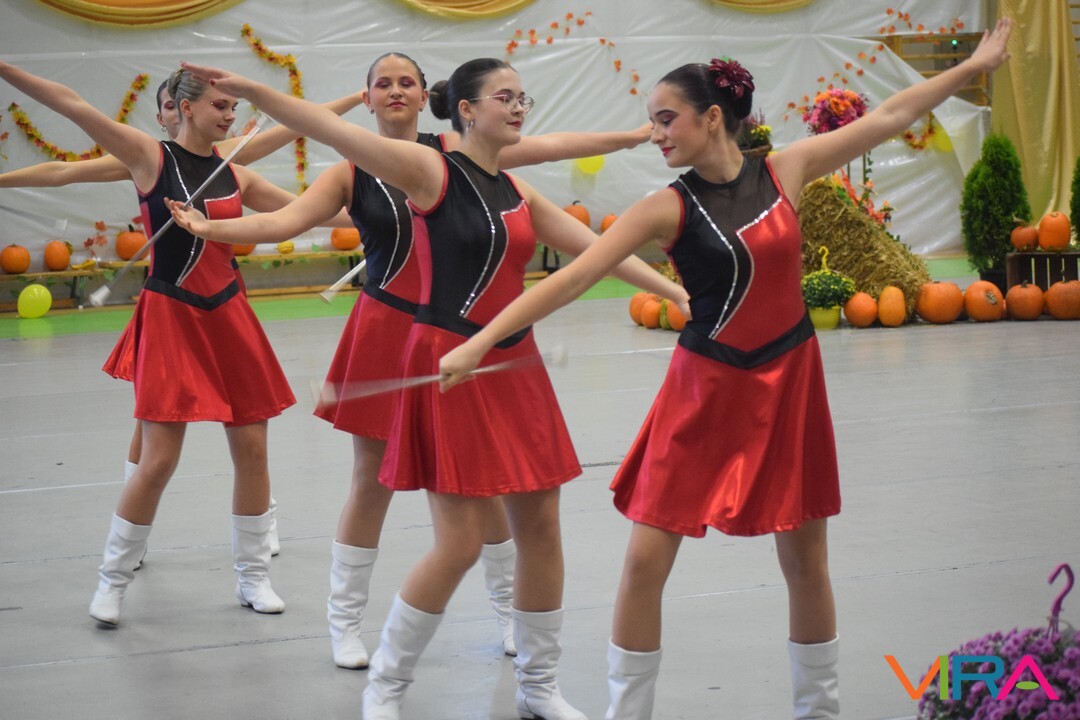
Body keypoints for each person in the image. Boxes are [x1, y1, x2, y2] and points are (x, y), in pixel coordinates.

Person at [438, 19, 1013, 719]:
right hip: (704, 388)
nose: (656, 134)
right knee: (644, 561)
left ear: (712, 118)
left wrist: (972, 66)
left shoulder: (786, 171)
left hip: (789, 379)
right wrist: (480, 342)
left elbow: (892, 115)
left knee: (805, 559)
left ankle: (819, 711)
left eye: (666, 119)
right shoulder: (665, 207)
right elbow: (572, 278)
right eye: (653, 121)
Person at [171, 57, 687, 719]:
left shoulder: (512, 186)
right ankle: (372, 661)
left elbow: (595, 247)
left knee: (538, 524)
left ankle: (535, 682)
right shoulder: (424, 169)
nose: (519, 107)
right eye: (505, 97)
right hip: (436, 350)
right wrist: (249, 99)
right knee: (435, 524)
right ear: (466, 109)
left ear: (428, 96)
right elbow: (319, 150)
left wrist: (676, 291)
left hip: (509, 363)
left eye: (523, 98)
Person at [0, 80, 363, 564]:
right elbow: (64, 169)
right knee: (153, 429)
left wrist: (356, 99)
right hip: (169, 305)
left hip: (222, 303)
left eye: (228, 106)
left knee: (247, 435)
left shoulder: (228, 158)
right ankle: (133, 534)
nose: (177, 112)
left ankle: (260, 522)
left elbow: (295, 129)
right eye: (168, 106)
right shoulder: (147, 158)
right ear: (168, 115)